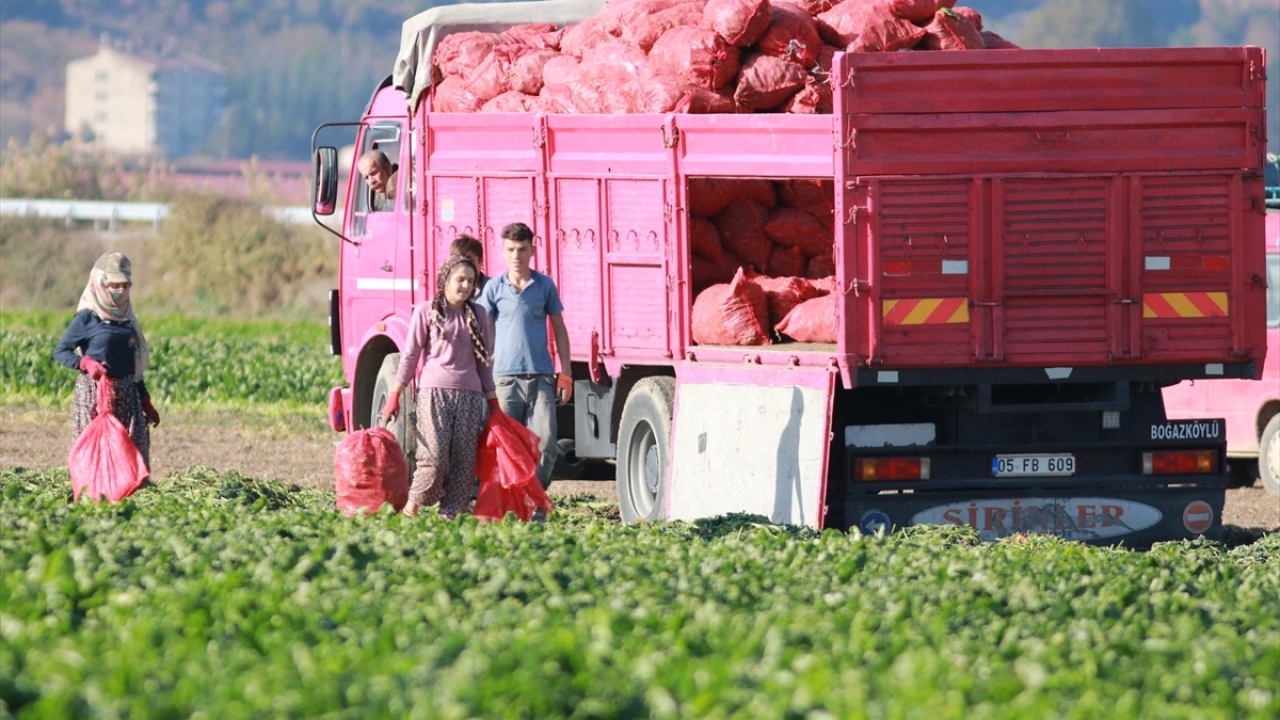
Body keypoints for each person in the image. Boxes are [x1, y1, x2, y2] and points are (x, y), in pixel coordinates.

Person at [382, 254, 497, 519]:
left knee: (464, 462)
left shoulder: (478, 313)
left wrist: (493, 402)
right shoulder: (427, 311)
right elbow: (410, 356)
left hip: (470, 397)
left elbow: (483, 361)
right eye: (460, 279)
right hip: (434, 395)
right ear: (445, 280)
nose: (466, 286)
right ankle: (411, 512)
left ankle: (449, 518)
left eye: (471, 281)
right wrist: (395, 394)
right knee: (433, 459)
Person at [479, 222, 572, 489]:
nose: (516, 256)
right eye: (510, 250)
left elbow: (560, 329)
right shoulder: (494, 288)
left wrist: (565, 374)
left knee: (547, 444)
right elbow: (480, 329)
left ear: (532, 249)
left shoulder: (544, 285)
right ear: (502, 250)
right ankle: (510, 501)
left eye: (521, 249)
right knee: (506, 445)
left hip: (541, 377)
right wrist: (484, 362)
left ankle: (535, 497)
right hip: (504, 381)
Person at [53, 252, 160, 469]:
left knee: (132, 458)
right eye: (115, 285)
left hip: (128, 395)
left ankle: (130, 499)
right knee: (97, 458)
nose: (121, 290)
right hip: (95, 395)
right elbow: (61, 351)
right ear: (101, 283)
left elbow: (132, 364)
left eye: (126, 285)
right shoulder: (87, 317)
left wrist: (145, 399)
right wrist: (85, 364)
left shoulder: (128, 320)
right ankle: (94, 499)